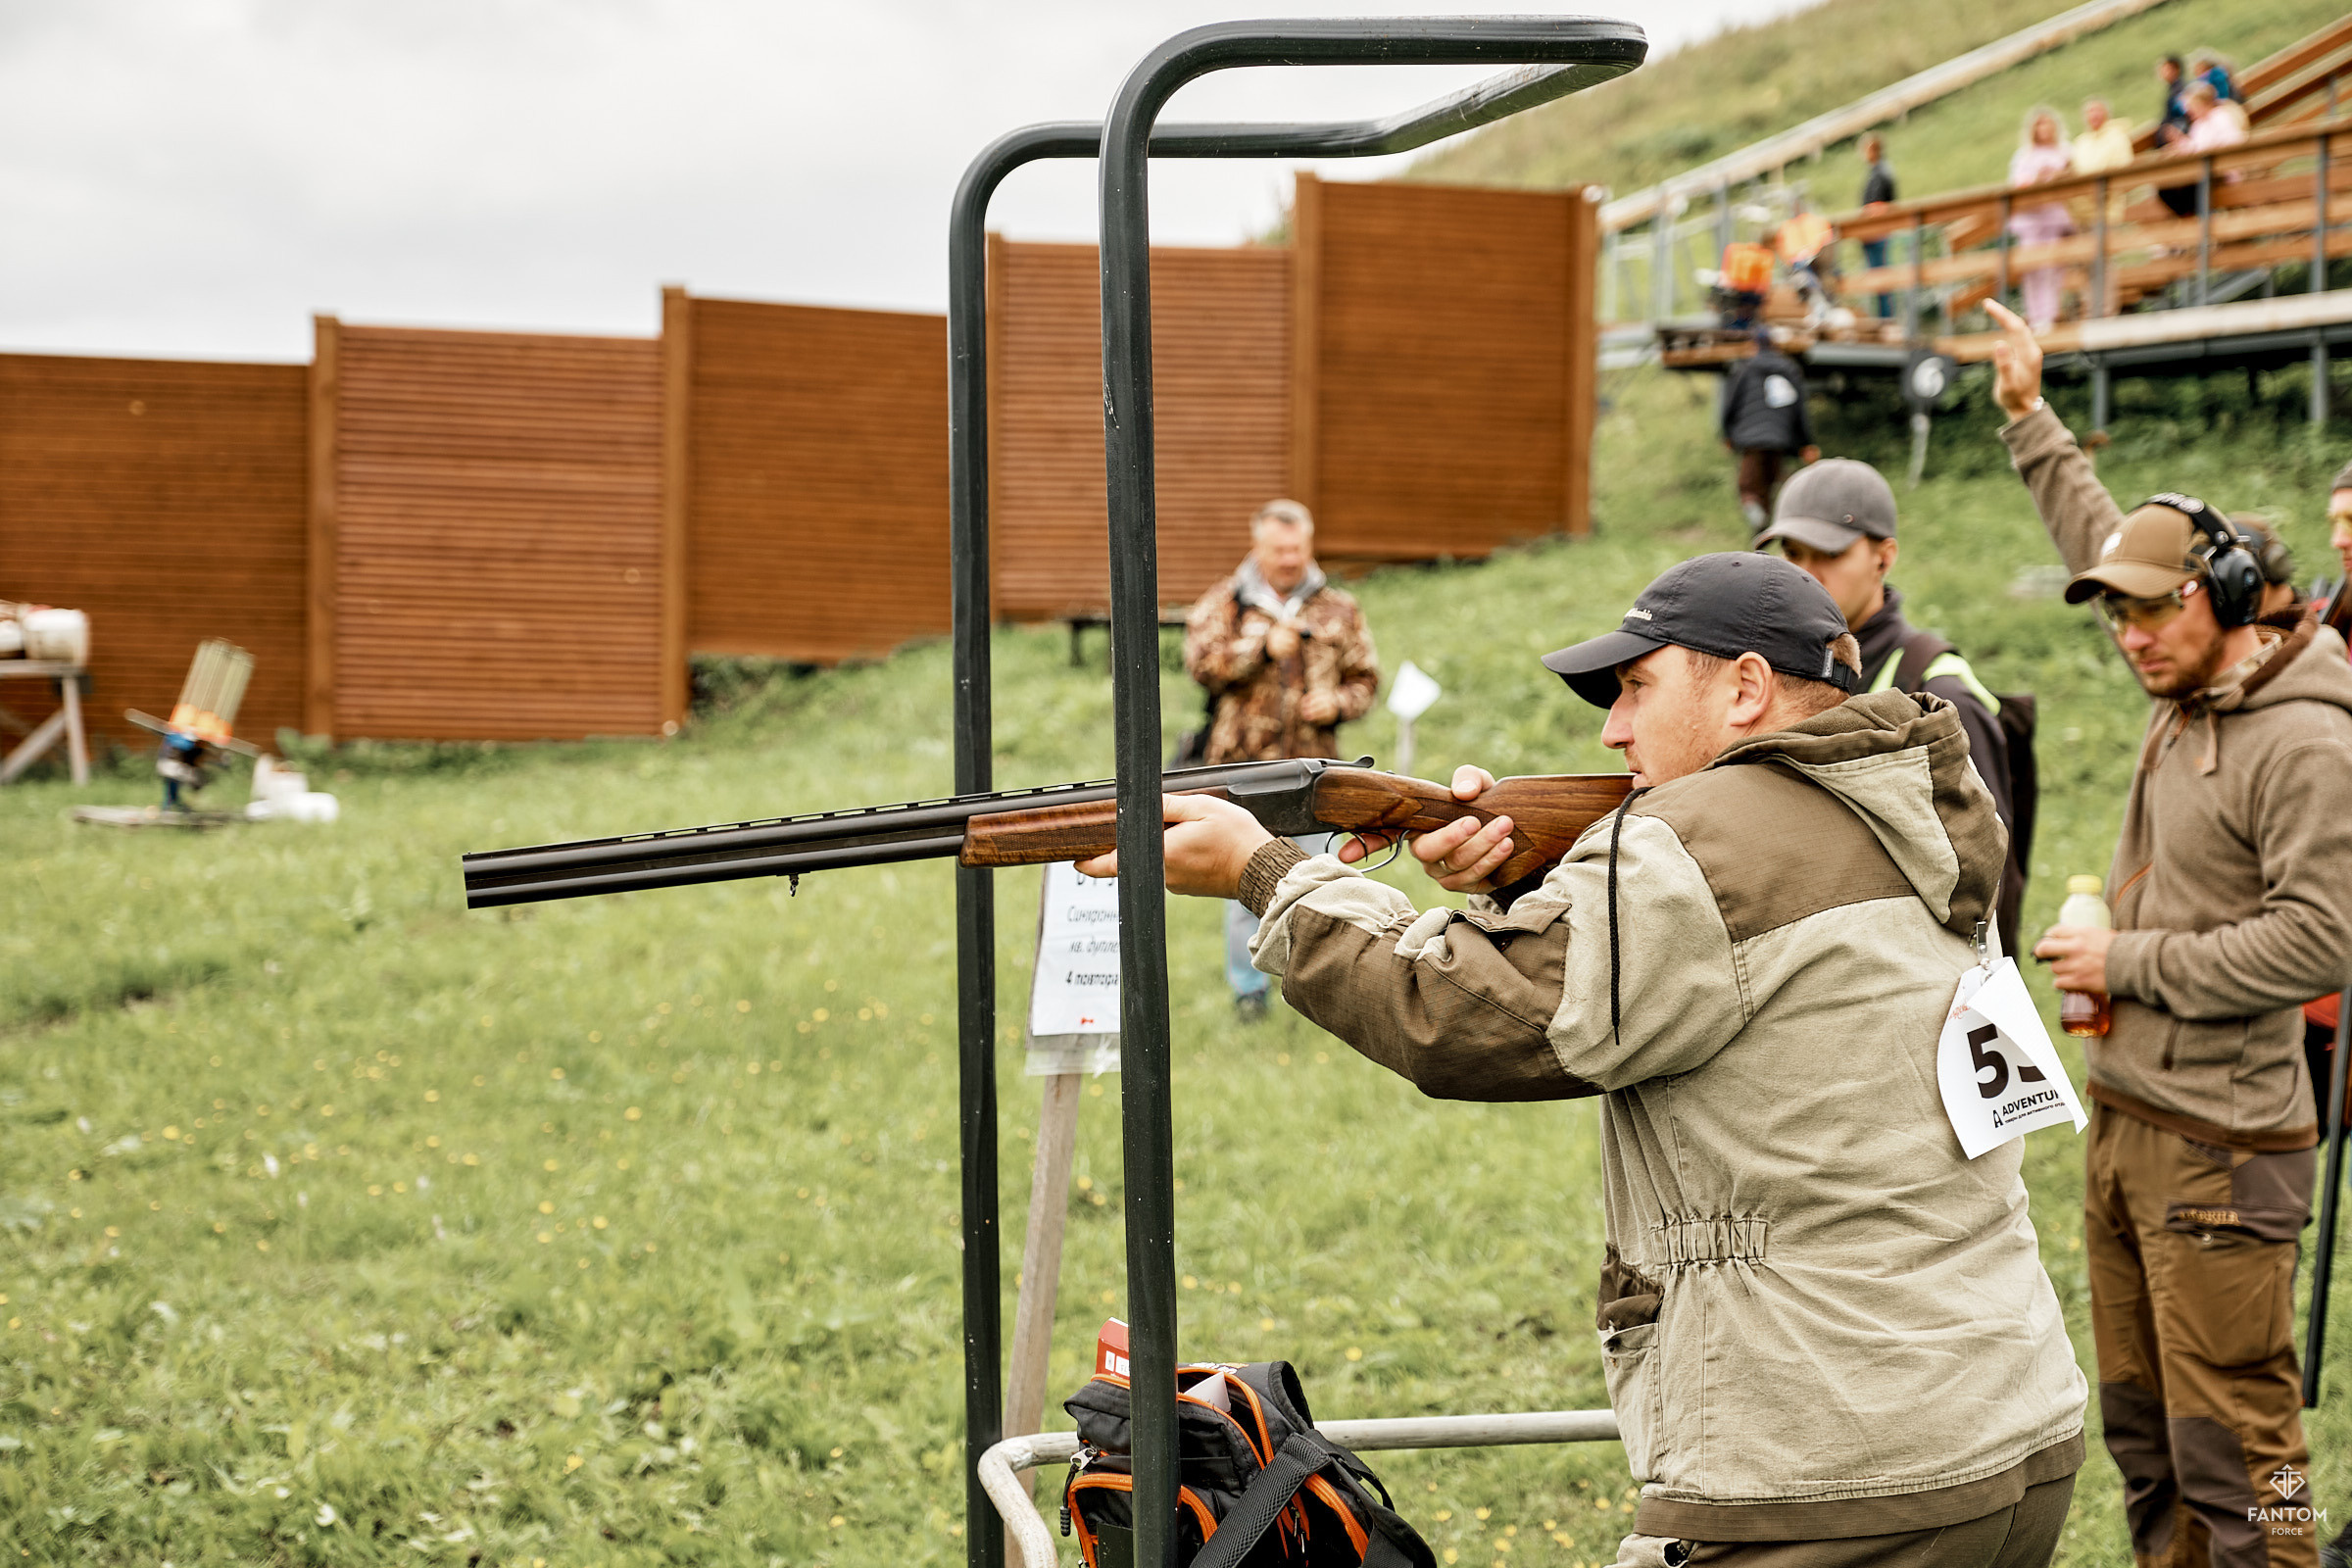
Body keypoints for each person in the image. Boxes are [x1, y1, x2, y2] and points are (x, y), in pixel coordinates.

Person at [1088, 551, 2088, 1565]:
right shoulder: (1912, 805)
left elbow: (1462, 1017)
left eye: (1638, 687)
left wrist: (1268, 873)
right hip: (2007, 1420)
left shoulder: (1695, 838)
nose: (1613, 728)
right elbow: (1711, 979)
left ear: (1746, 686)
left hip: (1821, 1466)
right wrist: (1529, 890)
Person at [1990, 296, 2352, 1568]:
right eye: (2117, 616)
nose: (2131, 637)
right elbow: (2101, 534)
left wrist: (2126, 963)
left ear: (2233, 596)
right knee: (2149, 1444)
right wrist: (2029, 416)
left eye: (2153, 613)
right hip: (2132, 1122)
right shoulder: (2186, 677)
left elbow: (2321, 940)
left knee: (2250, 1456)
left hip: (2225, 1150)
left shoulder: (2303, 742)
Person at [1756, 458, 2028, 954]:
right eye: (1792, 553)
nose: (1805, 575)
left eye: (1828, 554)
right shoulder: (1779, 675)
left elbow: (1990, 875)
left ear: (1884, 558)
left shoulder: (1941, 692)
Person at [1181, 498, 1379, 1021]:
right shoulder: (1223, 604)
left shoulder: (1340, 607)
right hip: (1242, 773)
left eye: (1297, 549)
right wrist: (1261, 649)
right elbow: (1200, 665)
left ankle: (1324, 992)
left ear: (1308, 545)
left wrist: (1338, 703)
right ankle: (1250, 994)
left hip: (1318, 775)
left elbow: (1366, 680)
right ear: (1258, 546)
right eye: (1278, 550)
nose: (1289, 559)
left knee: (1321, 881)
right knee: (1244, 880)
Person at [1719, 329, 1817, 532]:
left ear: (1755, 345)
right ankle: (1766, 530)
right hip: (1779, 437)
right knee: (1769, 484)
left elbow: (1730, 403)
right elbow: (1800, 410)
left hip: (1751, 438)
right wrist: (1806, 443)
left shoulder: (1745, 368)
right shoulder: (1790, 369)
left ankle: (1761, 522)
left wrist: (1727, 433)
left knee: (1748, 487)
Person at [2007, 109, 2075, 331]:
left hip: (2055, 218)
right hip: (2030, 219)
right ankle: (2035, 316)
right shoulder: (2024, 155)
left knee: (2052, 269)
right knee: (2032, 271)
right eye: (2039, 124)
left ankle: (2049, 315)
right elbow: (2017, 185)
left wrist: (2057, 176)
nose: (2043, 129)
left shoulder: (2065, 151)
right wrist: (2037, 179)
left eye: (2047, 124)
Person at [2160, 83, 2251, 217]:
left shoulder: (2221, 117)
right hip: (2203, 170)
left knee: (2188, 187)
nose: (2188, 111)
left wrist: (2204, 150)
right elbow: (2194, 147)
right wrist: (2180, 142)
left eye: (2191, 106)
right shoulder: (2199, 125)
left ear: (2203, 103)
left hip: (2222, 170)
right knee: (2165, 190)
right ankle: (2194, 218)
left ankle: (2203, 219)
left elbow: (2233, 141)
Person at [1858, 133, 1898, 318]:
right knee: (1878, 278)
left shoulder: (1881, 173)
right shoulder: (1878, 171)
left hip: (1877, 233)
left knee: (1881, 277)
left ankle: (1886, 318)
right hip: (1874, 233)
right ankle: (1883, 317)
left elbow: (1880, 204)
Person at [2157, 54, 2191, 148]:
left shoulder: (2180, 90)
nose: (2162, 73)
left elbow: (2183, 114)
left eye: (2166, 70)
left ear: (2176, 69)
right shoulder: (2173, 88)